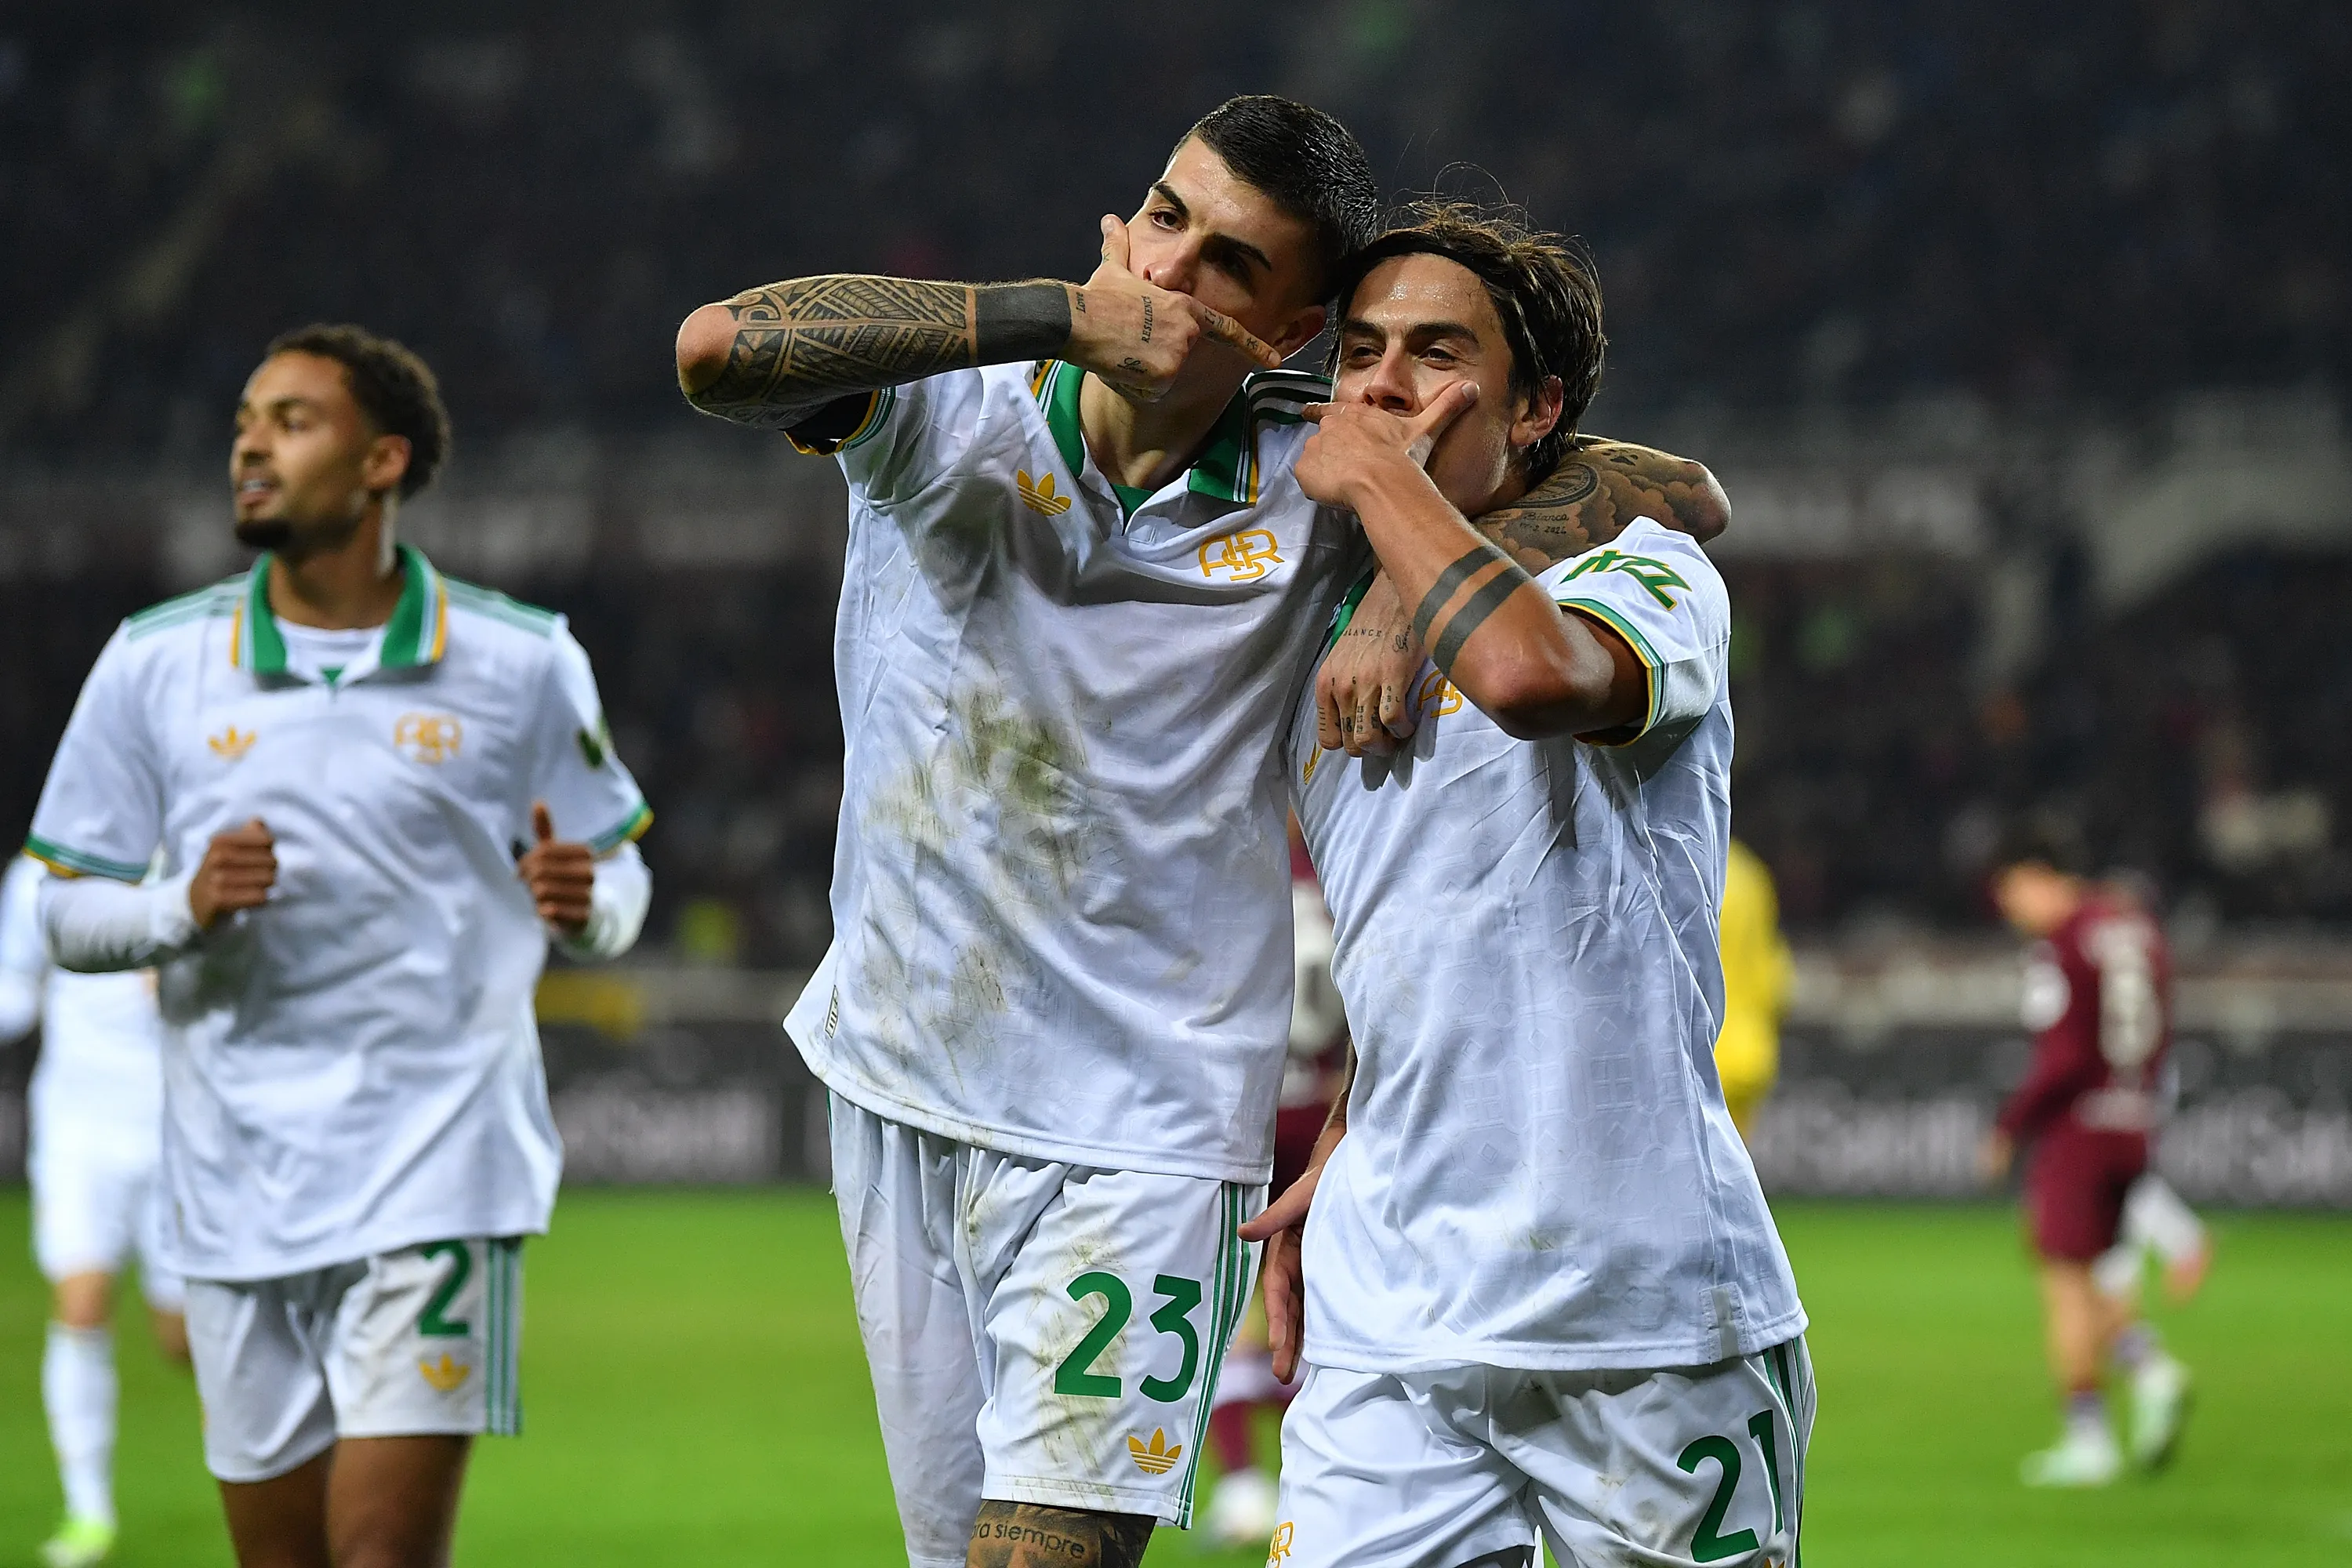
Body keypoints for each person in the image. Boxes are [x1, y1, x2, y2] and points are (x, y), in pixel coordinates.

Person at [674, 94, 1381, 1568]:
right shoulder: (956, 400)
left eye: (1230, 265)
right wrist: (1050, 314)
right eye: (1165, 219)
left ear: (1293, 331)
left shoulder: (1322, 487)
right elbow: (716, 352)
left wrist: (1391, 532)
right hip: (900, 1079)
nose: (1172, 272)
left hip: (1148, 1125)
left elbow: (1649, 498)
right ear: (1120, 224)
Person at [24, 324, 652, 1568]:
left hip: (439, 1165)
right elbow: (63, 909)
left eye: (293, 419)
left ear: (383, 463)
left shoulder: (521, 659)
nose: (251, 441)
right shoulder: (154, 663)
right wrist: (179, 909)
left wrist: (589, 908)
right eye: (245, 420)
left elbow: (620, 868)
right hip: (234, 1176)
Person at [1242, 200, 1809, 1568]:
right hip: (1392, 1307)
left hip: (1648, 1312)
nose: (1382, 386)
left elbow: (1532, 679)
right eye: (1361, 352)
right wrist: (1355, 1125)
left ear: (1540, 407)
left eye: (1437, 355)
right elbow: (1430, 923)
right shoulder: (1301, 623)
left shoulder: (1647, 576)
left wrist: (1384, 492)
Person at [1980, 844, 2190, 1486]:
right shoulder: (2136, 928)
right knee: (2102, 1272)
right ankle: (2149, 1369)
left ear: (2042, 875)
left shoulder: (2064, 944)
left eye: (2013, 892)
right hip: (2134, 1120)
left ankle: (2090, 1438)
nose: (2010, 910)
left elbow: (2064, 1058)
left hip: (2079, 1131)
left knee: (2064, 1285)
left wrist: (2011, 1127)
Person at [2, 854, 188, 1568]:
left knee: (187, 1341)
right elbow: (14, 991)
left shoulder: (191, 858)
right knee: (80, 1302)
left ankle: (283, 1460)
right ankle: (87, 1510)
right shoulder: (43, 875)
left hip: (180, 1135)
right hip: (80, 1131)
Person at [1200, 820, 1346, 1548]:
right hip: (1324, 1113)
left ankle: (1246, 1488)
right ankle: (1321, 1482)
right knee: (1315, 1305)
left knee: (1233, 1309)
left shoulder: (1235, 866)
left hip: (1246, 1114)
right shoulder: (1337, 874)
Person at [1715, 837, 1793, 1139]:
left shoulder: (1674, 861)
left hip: (1695, 1059)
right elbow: (1777, 977)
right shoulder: (1750, 873)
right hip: (1749, 1055)